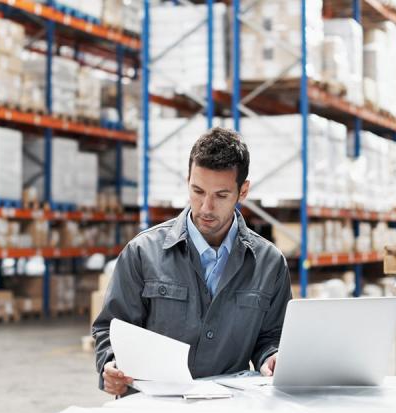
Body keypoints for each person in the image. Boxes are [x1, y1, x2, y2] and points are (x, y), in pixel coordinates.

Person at [92, 127, 293, 396]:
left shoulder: (270, 264)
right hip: (151, 411)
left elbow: (271, 338)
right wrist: (110, 364)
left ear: (243, 191)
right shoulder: (142, 252)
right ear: (188, 180)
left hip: (229, 411)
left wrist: (273, 358)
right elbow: (111, 327)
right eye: (197, 191)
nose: (206, 207)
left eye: (221, 195)